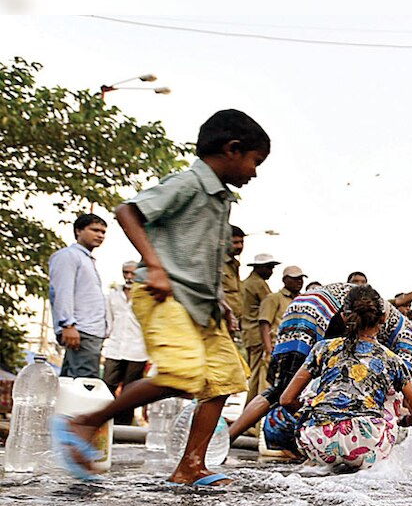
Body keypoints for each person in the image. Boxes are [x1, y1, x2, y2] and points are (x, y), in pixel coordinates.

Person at [51, 109, 270, 485]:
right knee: (181, 372)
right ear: (233, 149)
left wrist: (220, 302)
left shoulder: (220, 200)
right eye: (254, 161)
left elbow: (202, 257)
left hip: (203, 306)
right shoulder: (187, 184)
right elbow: (127, 211)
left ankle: (190, 466)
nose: (254, 172)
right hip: (162, 293)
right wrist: (153, 266)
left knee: (225, 379)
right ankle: (84, 421)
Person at [227, 282, 412, 457]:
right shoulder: (406, 336)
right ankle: (238, 441)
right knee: (288, 393)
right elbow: (406, 398)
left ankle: (228, 439)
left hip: (300, 305)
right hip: (319, 314)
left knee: (280, 390)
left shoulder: (370, 329)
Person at [48, 213, 109, 378]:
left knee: (70, 383)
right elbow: (62, 291)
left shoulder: (87, 259)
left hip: (90, 330)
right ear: (78, 231)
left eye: (103, 232)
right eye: (95, 230)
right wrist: (67, 325)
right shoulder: (68, 256)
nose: (100, 235)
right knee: (85, 383)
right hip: (80, 329)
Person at [101, 261, 148, 425]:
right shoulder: (113, 295)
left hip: (138, 350)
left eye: (132, 273)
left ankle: (123, 427)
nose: (129, 277)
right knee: (106, 386)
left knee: (130, 392)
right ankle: (104, 423)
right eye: (125, 272)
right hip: (115, 347)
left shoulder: (146, 295)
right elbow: (108, 321)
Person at [241, 252, 279, 397]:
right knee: (258, 378)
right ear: (259, 268)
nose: (271, 271)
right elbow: (269, 307)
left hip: (249, 333)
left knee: (255, 378)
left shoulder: (247, 282)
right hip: (258, 335)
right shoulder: (258, 284)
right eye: (269, 268)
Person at [259, 264, 305, 355]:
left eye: (301, 278)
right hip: (277, 346)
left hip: (298, 348)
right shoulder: (273, 298)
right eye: (295, 278)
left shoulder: (304, 300)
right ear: (285, 280)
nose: (299, 281)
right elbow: (264, 324)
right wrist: (268, 349)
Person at [222, 225, 246, 358]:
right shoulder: (218, 264)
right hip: (221, 321)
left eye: (241, 242)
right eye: (235, 242)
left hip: (233, 324)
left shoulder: (234, 265)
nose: (239, 246)